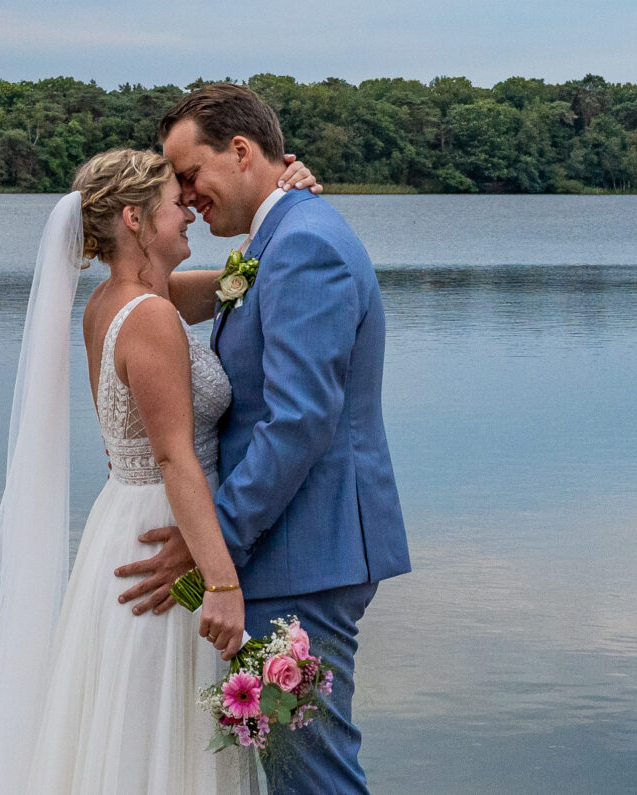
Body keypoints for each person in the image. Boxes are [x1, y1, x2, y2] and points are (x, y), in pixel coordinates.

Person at [0, 144, 322, 795]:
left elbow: (230, 284)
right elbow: (175, 455)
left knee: (128, 721)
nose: (190, 218)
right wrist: (222, 583)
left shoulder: (119, 300)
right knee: (156, 726)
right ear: (136, 218)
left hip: (125, 518)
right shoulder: (147, 318)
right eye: (177, 206)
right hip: (164, 532)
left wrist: (287, 207)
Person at [118, 84, 409, 795]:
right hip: (291, 550)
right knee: (293, 774)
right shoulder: (276, 237)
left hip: (306, 552)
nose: (186, 196)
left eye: (191, 173)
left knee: (314, 778)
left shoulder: (304, 243)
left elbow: (300, 420)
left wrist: (211, 540)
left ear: (241, 151)